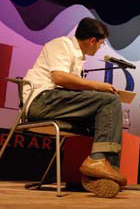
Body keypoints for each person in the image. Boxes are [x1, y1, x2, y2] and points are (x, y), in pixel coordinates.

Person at [22, 17, 126, 198]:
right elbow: (59, 78)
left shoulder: (78, 57)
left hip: (56, 102)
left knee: (103, 118)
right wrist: (97, 87)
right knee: (109, 100)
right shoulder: (62, 44)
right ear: (92, 40)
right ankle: (100, 163)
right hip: (42, 100)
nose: (99, 47)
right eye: (100, 44)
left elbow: (69, 89)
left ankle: (104, 175)